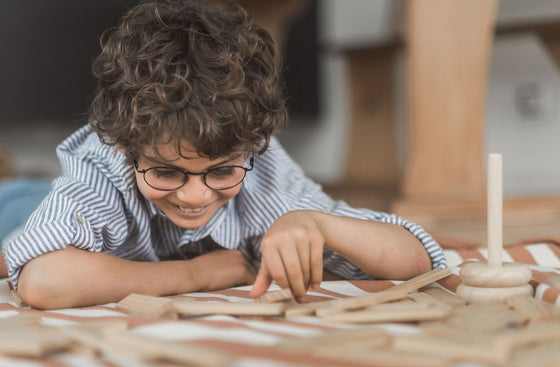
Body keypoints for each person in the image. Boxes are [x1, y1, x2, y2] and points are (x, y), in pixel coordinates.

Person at [4, 0, 446, 310]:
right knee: (17, 200)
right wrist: (197, 275)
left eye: (220, 171)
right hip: (26, 207)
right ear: (125, 147)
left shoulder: (263, 171)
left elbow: (419, 259)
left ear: (254, 146)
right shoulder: (102, 167)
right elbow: (44, 280)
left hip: (89, 220)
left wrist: (316, 222)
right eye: (165, 171)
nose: (195, 196)